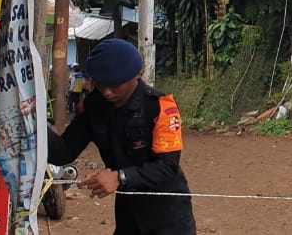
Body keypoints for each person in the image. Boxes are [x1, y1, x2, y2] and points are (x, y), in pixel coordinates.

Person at [47, 39, 196, 234]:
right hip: (128, 214)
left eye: (114, 85)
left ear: (136, 76)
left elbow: (167, 167)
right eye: (100, 85)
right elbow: (63, 152)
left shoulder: (159, 107)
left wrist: (120, 177)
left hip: (168, 215)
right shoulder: (93, 107)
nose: (107, 92)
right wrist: (34, 125)